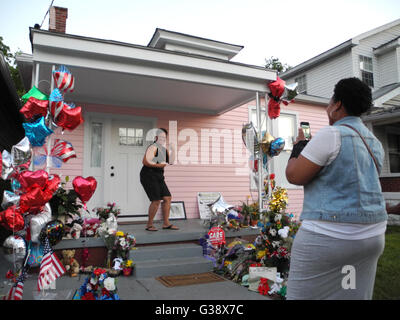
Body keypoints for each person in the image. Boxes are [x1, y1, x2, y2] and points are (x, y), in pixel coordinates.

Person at [285, 77, 387, 300]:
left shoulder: (331, 134)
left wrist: (298, 147)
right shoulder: (375, 142)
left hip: (328, 237)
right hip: (372, 237)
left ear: (338, 104)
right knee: (349, 292)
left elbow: (294, 175)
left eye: (330, 101)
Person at [140, 128, 179, 231]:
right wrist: (160, 165)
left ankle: (166, 224)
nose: (163, 139)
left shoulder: (163, 149)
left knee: (167, 198)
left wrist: (173, 150)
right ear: (156, 137)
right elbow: (145, 162)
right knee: (156, 200)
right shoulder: (152, 147)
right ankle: (149, 225)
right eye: (161, 137)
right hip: (148, 175)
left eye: (164, 137)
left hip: (159, 176)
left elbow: (170, 161)